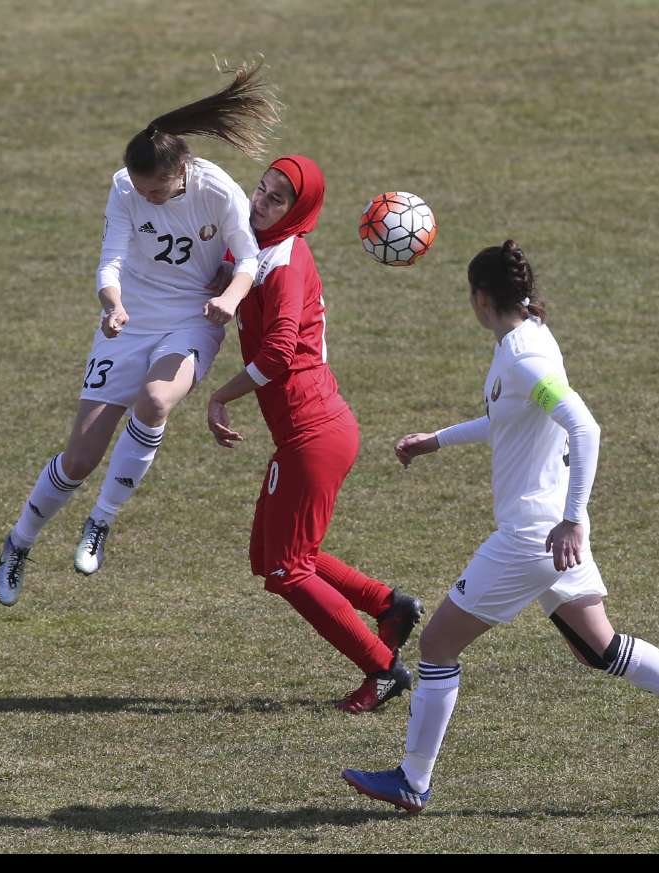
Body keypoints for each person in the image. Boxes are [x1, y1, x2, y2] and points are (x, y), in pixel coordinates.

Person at [341, 240, 659, 809]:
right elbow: (507, 422)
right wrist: (436, 440)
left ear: (481, 298)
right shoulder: (531, 338)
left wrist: (570, 520)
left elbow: (584, 427)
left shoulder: (522, 355)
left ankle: (413, 780)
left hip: (535, 536)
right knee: (602, 649)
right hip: (552, 535)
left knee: (436, 647)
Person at [0, 62, 280, 605]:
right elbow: (111, 261)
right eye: (142, 189)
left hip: (193, 318)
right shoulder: (125, 186)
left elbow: (248, 258)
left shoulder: (218, 191)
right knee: (79, 458)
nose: (147, 197)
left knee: (155, 399)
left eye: (157, 191)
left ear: (182, 172)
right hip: (128, 322)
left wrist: (228, 299)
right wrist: (113, 306)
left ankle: (100, 521)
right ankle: (18, 543)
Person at [205, 155, 424, 712]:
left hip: (313, 435)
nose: (260, 202)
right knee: (270, 555)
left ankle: (382, 668)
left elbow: (278, 352)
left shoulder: (284, 263)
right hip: (309, 433)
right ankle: (389, 605)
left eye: (277, 199)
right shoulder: (266, 250)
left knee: (287, 569)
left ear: (298, 211)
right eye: (261, 189)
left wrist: (219, 396)